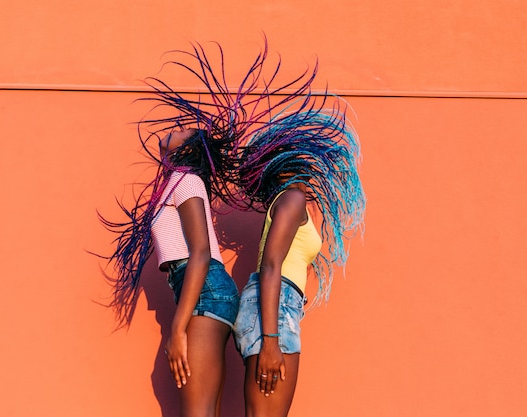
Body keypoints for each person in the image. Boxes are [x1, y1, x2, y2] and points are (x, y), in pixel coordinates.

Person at [98, 42, 265, 416]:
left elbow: (201, 252)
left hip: (204, 292)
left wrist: (177, 328)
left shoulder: (186, 180)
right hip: (204, 293)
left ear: (188, 151)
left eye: (183, 129)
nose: (175, 128)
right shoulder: (177, 182)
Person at [231, 89, 366, 416]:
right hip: (274, 314)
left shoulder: (288, 203)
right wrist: (271, 341)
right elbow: (271, 266)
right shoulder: (291, 199)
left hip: (276, 308)